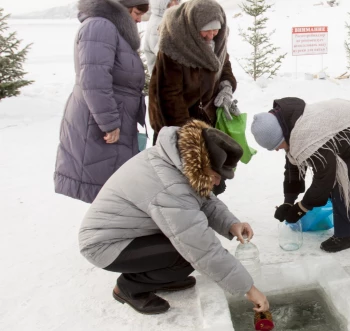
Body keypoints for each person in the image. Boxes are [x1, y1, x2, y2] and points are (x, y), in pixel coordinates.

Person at [78, 120, 269, 315]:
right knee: (186, 255)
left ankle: (162, 275)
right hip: (105, 245)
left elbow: (203, 199)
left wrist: (231, 224)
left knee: (186, 252)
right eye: (217, 174)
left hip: (130, 233)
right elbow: (201, 249)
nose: (218, 181)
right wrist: (249, 289)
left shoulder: (180, 160)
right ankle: (128, 288)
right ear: (203, 163)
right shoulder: (169, 185)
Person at [250, 98, 350, 252]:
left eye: (277, 145)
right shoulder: (291, 123)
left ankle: (346, 235)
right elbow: (294, 167)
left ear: (282, 135)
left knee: (341, 183)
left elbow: (325, 180)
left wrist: (301, 208)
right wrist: (288, 202)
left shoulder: (308, 135)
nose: (278, 150)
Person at [54, 0, 149, 203]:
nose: (139, 20)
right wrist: (109, 123)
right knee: (110, 197)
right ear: (122, 7)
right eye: (137, 12)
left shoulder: (110, 28)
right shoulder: (100, 26)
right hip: (100, 124)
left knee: (114, 196)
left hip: (112, 119)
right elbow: (94, 79)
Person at [148, 0, 239, 145]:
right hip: (175, 121)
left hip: (204, 116)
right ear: (193, 26)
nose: (211, 35)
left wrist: (226, 86)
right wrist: (186, 135)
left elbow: (224, 65)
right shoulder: (174, 45)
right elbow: (170, 95)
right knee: (178, 165)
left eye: (215, 30)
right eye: (206, 30)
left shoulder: (218, 40)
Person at [143, 0, 180, 74]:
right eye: (173, 1)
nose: (177, 4)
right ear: (164, 4)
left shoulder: (170, 19)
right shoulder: (157, 24)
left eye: (177, 1)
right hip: (165, 78)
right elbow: (165, 55)